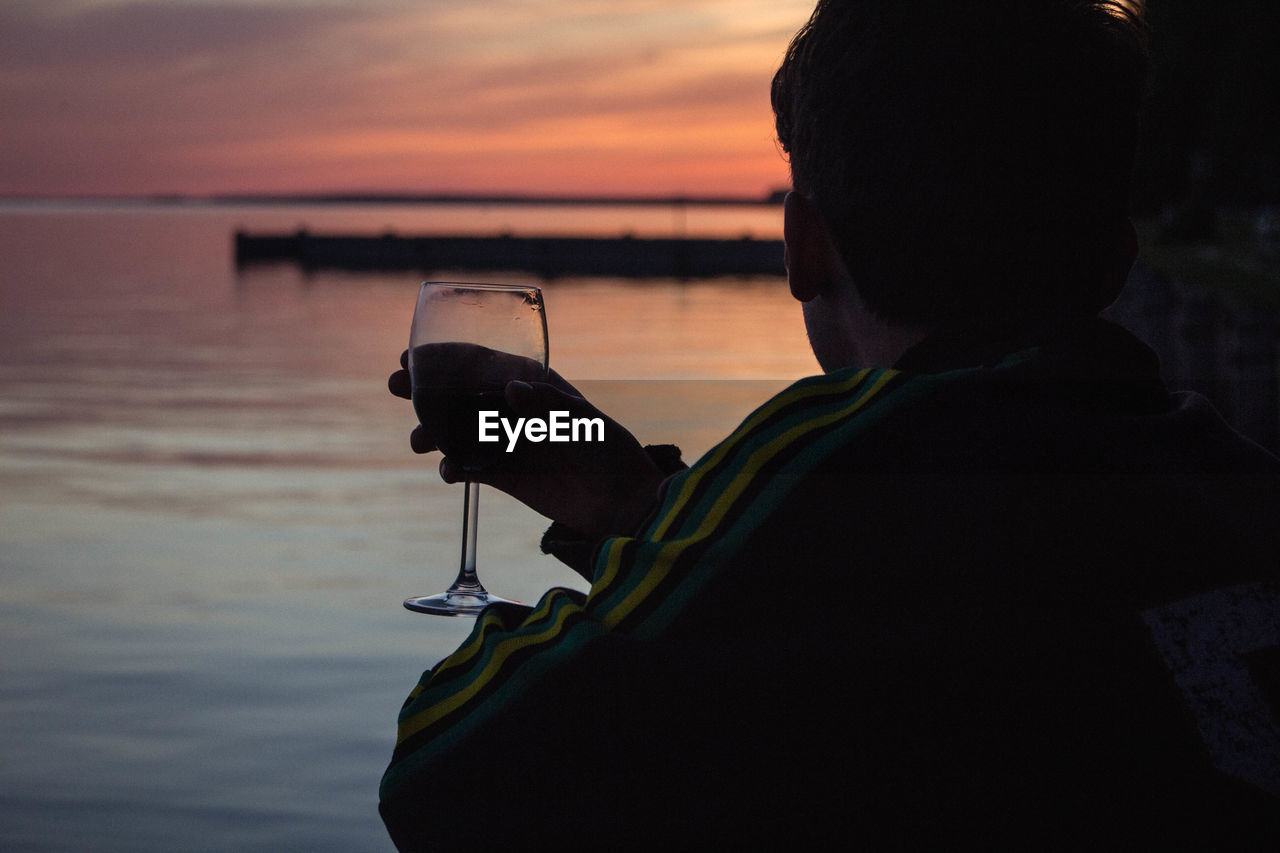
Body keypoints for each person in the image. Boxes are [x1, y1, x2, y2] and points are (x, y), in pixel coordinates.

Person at [380, 1, 1280, 848]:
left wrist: (654, 516)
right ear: (1117, 258)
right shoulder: (1228, 480)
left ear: (802, 245)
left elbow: (446, 769)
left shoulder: (844, 472)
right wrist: (627, 499)